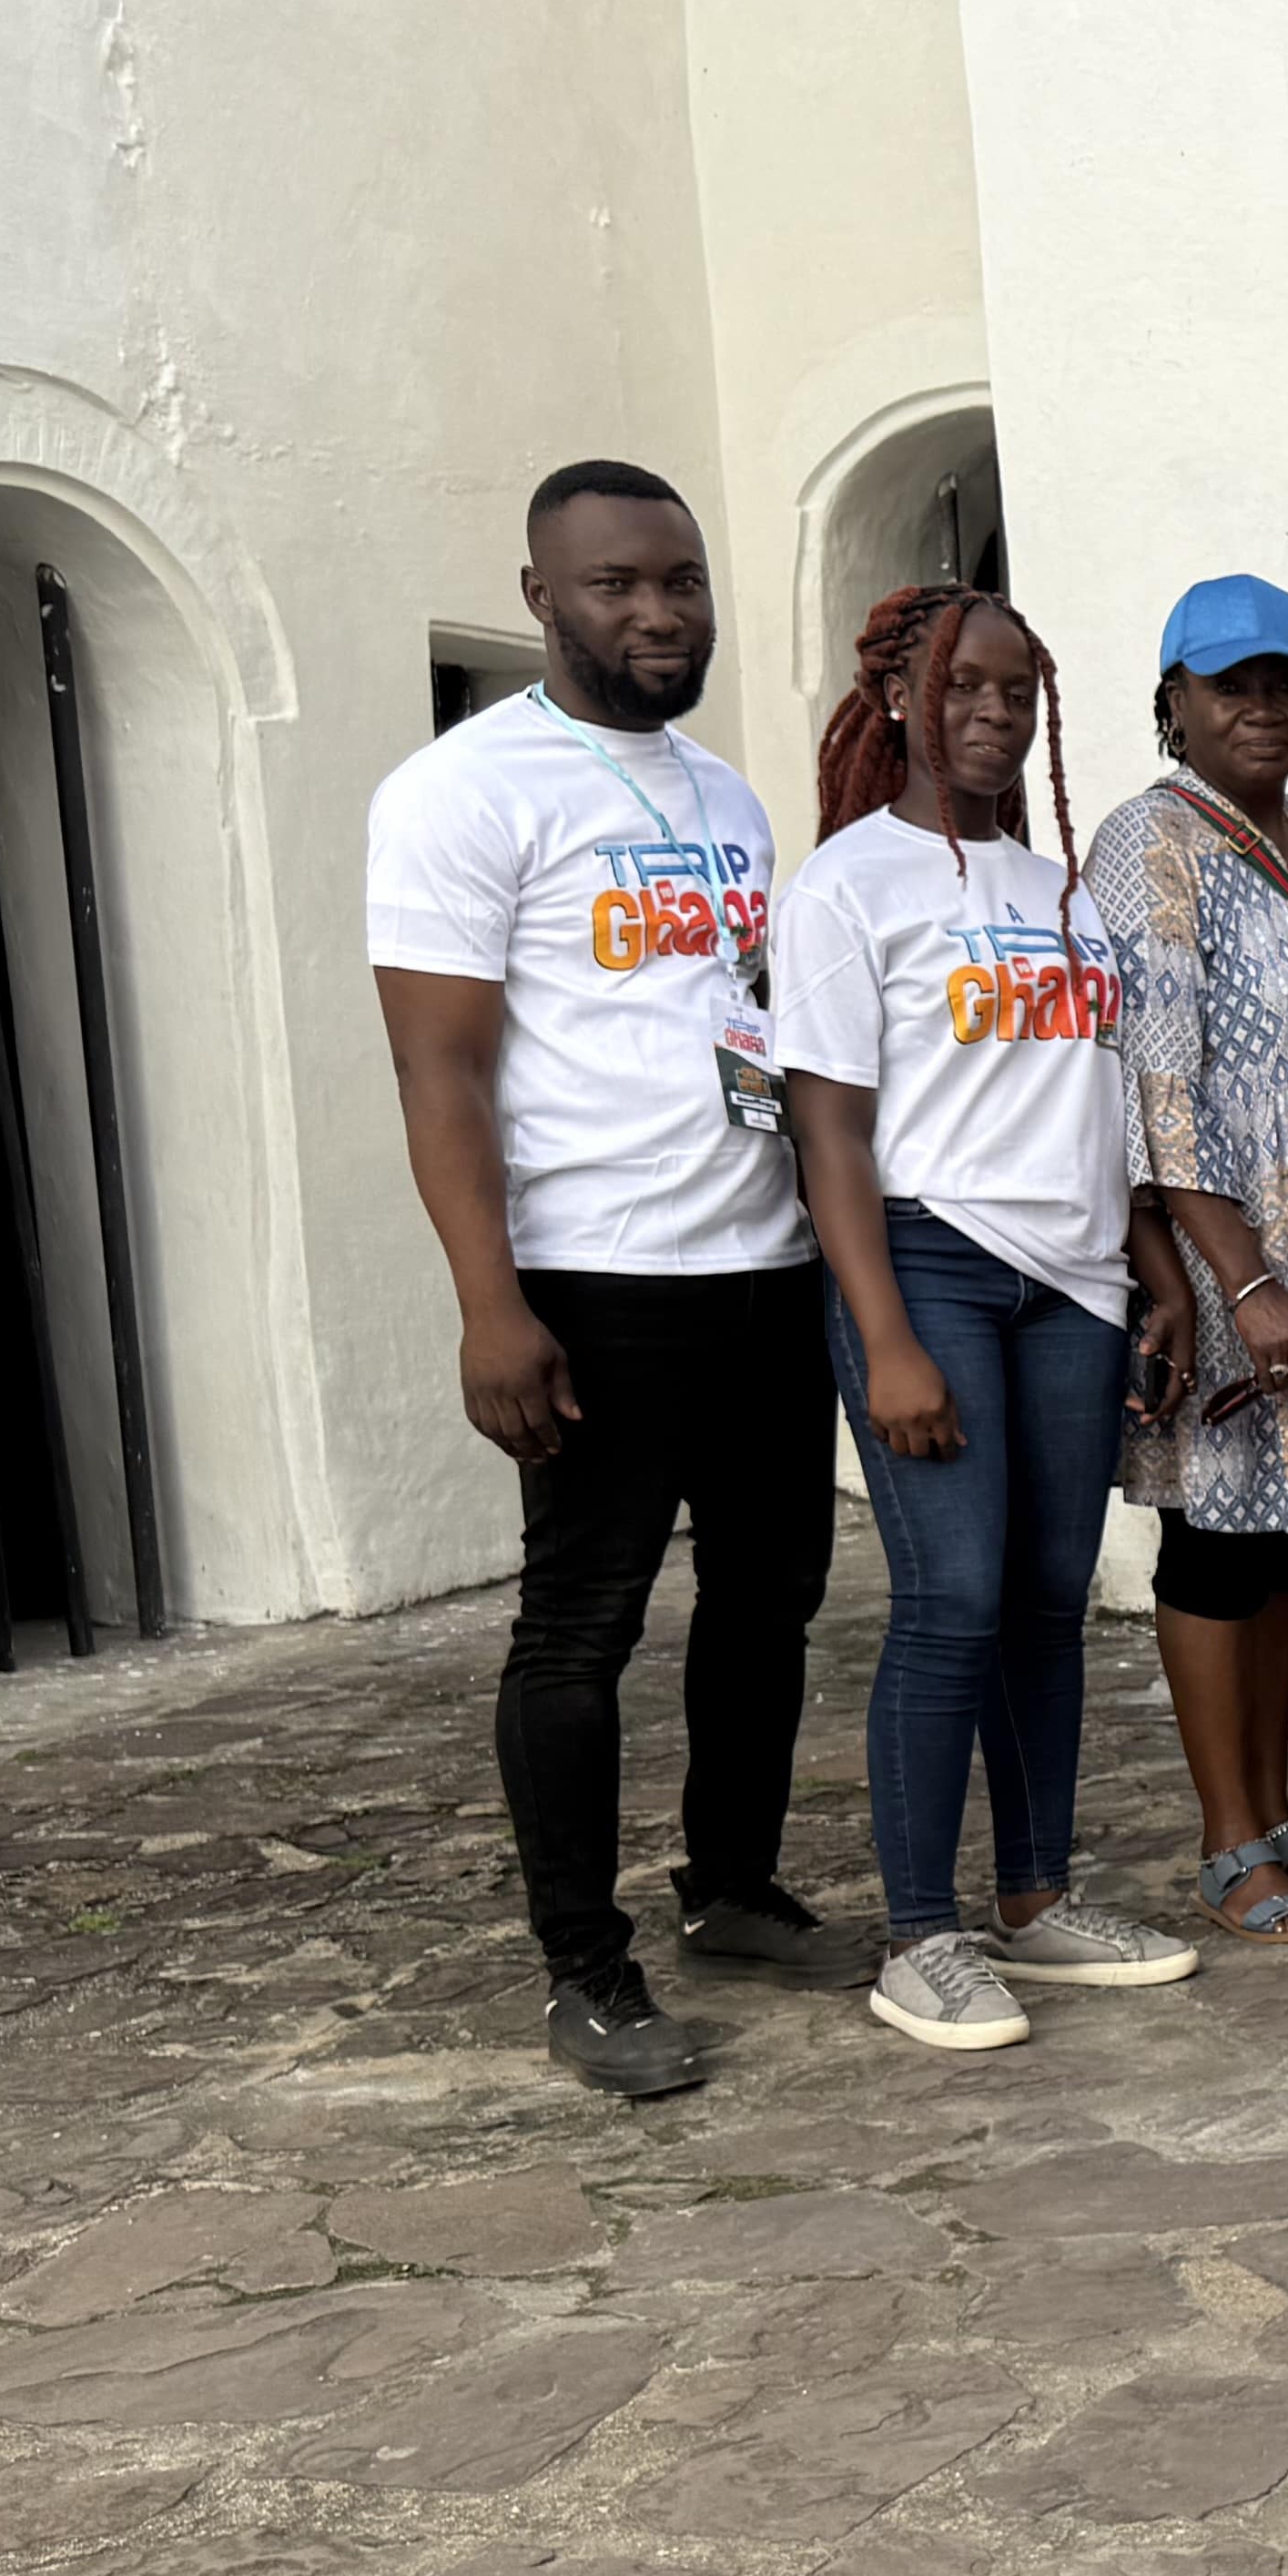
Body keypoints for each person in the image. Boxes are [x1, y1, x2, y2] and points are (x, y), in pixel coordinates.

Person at [368, 459, 869, 2098]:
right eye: (613, 584)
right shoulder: (463, 790)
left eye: (680, 579)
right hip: (596, 1270)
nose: (656, 611)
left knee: (770, 1594)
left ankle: (729, 1884)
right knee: (578, 1626)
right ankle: (586, 1968)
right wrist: (487, 1298)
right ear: (539, 596)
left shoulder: (723, 793)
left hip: (761, 1257)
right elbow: (439, 1069)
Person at [776, 580, 1205, 2046]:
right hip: (931, 1261)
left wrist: (1148, 1267)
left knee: (1043, 1603)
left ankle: (1033, 1901)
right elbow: (826, 1132)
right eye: (961, 686)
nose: (991, 713)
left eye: (1015, 691)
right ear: (897, 693)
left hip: (1074, 1286)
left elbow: (1087, 1101)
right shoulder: (849, 884)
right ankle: (919, 1937)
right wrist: (884, 1333)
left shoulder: (1056, 887)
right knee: (950, 1601)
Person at [1096, 575, 1288, 1943]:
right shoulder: (1149, 845)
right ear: (1174, 701)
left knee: (1283, 1543)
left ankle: (1275, 1810)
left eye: (1285, 682)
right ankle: (1228, 1839)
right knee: (1214, 1543)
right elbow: (1153, 1083)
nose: (1263, 707)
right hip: (1231, 1261)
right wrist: (1241, 1278)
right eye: (1232, 685)